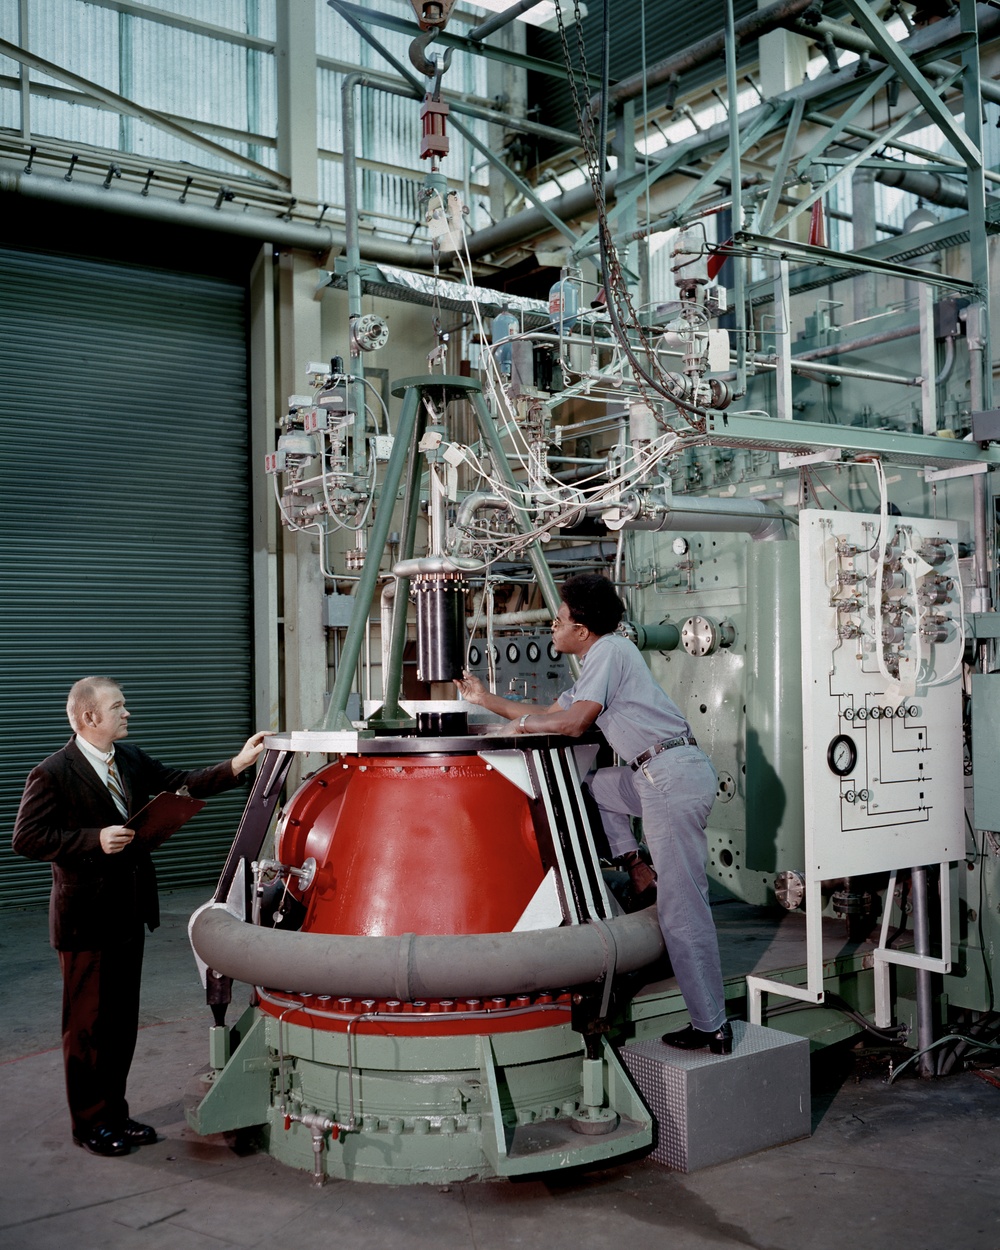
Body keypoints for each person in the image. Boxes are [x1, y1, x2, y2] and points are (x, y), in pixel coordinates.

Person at [455, 573, 731, 1055]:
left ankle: (712, 1026)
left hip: (668, 776)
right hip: (653, 775)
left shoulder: (610, 651)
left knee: (683, 909)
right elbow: (550, 709)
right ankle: (637, 867)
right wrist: (485, 700)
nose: (553, 628)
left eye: (559, 620)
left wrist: (521, 727)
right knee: (602, 786)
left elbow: (575, 722)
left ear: (582, 630)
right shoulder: (595, 663)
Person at [12, 676, 266, 1157]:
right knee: (88, 1028)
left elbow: (179, 784)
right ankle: (90, 1125)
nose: (128, 713)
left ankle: (116, 1115)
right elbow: (26, 838)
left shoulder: (127, 759)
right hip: (85, 921)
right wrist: (93, 840)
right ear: (90, 717)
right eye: (119, 706)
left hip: (128, 913)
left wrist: (238, 763)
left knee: (121, 1022)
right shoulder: (53, 773)